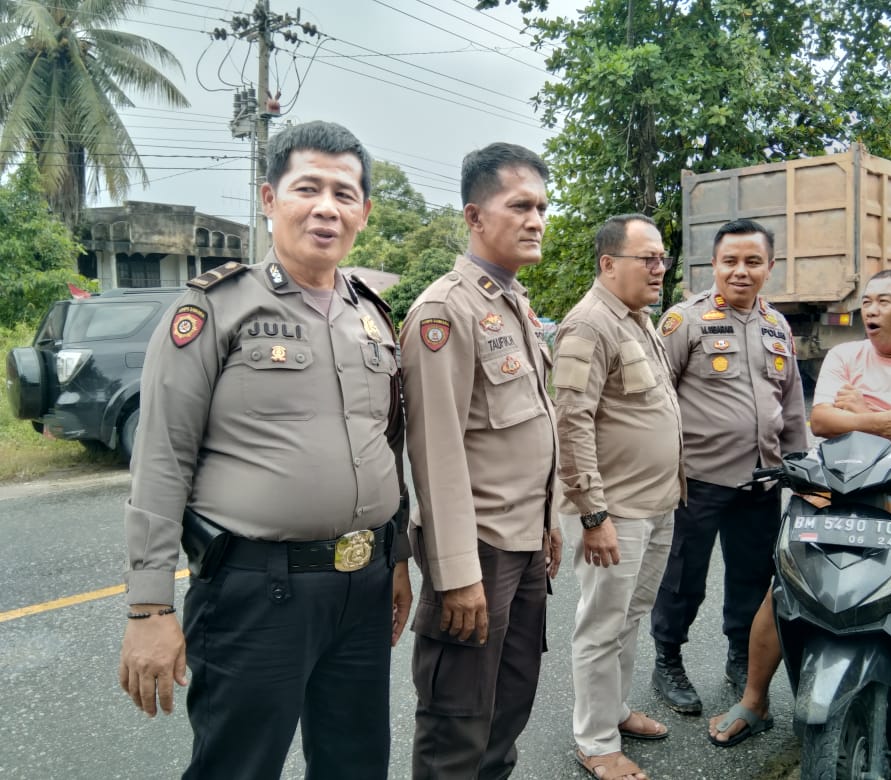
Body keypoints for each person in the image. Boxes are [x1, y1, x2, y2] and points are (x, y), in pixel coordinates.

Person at [118, 121, 412, 780]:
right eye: (308, 187)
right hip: (256, 591)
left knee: (356, 762)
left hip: (363, 587)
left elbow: (385, 444)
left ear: (364, 212)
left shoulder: (372, 315)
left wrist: (398, 556)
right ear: (269, 197)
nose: (326, 207)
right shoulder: (215, 308)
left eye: (345, 192)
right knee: (238, 766)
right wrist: (149, 607)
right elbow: (162, 458)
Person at [708, 270, 891, 780]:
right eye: (865, 301)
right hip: (837, 492)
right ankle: (755, 702)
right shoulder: (845, 357)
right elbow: (823, 422)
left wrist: (865, 411)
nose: (868, 309)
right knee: (786, 593)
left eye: (883, 300)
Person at [401, 142, 563, 780]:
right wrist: (456, 574)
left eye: (543, 207)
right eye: (519, 205)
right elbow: (435, 454)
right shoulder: (447, 310)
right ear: (474, 216)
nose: (536, 219)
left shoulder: (514, 303)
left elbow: (528, 430)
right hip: (479, 554)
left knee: (508, 712)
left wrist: (548, 522)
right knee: (458, 727)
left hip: (523, 546)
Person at [649, 218, 807, 714]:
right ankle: (667, 660)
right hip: (698, 481)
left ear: (770, 267)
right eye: (730, 261)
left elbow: (793, 402)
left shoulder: (777, 325)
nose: (741, 271)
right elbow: (657, 400)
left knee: (752, 577)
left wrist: (799, 463)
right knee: (682, 578)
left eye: (753, 261)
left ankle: (742, 657)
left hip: (762, 482)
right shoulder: (684, 321)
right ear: (713, 265)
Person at [552, 214, 685, 780]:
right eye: (647, 259)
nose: (660, 268)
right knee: (602, 625)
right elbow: (571, 422)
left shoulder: (637, 319)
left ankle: (617, 710)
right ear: (608, 265)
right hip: (615, 512)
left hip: (655, 505)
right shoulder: (588, 325)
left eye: (662, 259)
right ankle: (596, 739)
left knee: (631, 616)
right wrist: (593, 514)